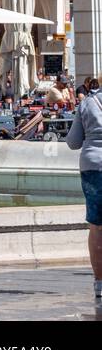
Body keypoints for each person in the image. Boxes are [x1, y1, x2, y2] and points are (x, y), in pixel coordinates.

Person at [66, 81, 102, 302]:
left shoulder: (88, 102)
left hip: (92, 165)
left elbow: (73, 142)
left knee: (96, 225)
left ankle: (99, 283)